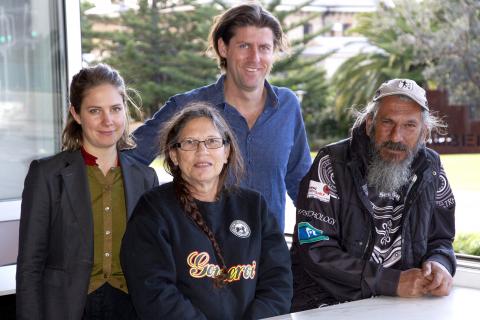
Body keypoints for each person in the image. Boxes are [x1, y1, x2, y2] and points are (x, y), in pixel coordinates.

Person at [127, 3, 311, 231]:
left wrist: (319, 246)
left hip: (267, 256)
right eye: (244, 46)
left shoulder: (287, 106)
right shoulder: (187, 107)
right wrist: (158, 211)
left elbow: (302, 185)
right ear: (223, 48)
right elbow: (129, 159)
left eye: (264, 47)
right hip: (200, 259)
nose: (255, 58)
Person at [290, 79, 456, 311]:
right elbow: (315, 248)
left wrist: (441, 264)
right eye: (387, 122)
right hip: (326, 298)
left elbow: (441, 239)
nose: (396, 137)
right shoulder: (331, 163)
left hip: (396, 301)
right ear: (370, 124)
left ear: (424, 132)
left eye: (410, 125)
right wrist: (392, 282)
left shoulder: (432, 167)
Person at [120, 104, 292, 320]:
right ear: (174, 155)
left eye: (212, 142)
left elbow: (278, 282)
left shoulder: (254, 206)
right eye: (190, 143)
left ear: (226, 151)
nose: (202, 152)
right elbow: (154, 293)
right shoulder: (154, 210)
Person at [16, 64, 159, 320]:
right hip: (67, 307)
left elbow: (154, 259)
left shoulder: (145, 177)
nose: (108, 121)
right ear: (77, 114)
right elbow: (30, 264)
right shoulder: (47, 174)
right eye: (95, 111)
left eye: (115, 109)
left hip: (131, 307)